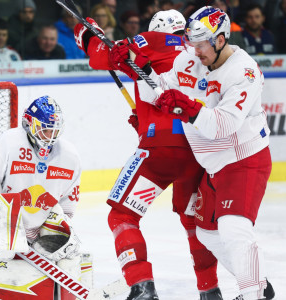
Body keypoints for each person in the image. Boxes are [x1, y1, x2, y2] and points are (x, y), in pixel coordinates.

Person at [112, 6, 275, 300]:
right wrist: (139, 69)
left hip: (243, 160)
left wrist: (187, 107)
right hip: (212, 166)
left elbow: (223, 125)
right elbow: (161, 91)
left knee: (233, 229)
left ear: (221, 40)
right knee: (206, 233)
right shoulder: (191, 57)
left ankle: (252, 293)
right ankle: (259, 286)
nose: (194, 51)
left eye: (201, 45)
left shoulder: (244, 72)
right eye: (191, 43)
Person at [74, 10, 223, 300]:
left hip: (162, 150)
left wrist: (85, 31)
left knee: (123, 214)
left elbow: (103, 55)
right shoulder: (202, 50)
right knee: (193, 222)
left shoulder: (153, 39)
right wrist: (142, 118)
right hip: (200, 150)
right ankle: (210, 289)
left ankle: (142, 285)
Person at [0, 95, 82, 263]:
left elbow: (68, 203)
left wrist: (58, 227)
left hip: (37, 233)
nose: (50, 136)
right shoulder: (9, 143)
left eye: (54, 131)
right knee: (4, 225)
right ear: (30, 123)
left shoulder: (69, 155)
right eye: (45, 130)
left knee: (61, 226)